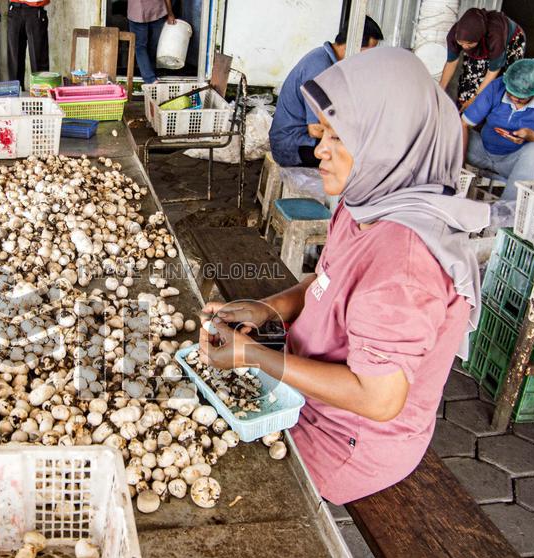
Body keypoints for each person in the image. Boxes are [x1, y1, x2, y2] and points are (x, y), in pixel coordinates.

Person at [201, 48, 488, 505]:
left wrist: (255, 357)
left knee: (223, 480)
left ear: (387, 142)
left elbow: (378, 400)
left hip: (348, 437)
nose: (319, 150)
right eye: (322, 134)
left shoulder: (405, 267)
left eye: (337, 138)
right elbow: (325, 281)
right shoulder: (366, 204)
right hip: (306, 391)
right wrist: (268, 308)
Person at [268, 16, 383, 167]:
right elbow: (315, 130)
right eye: (367, 53)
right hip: (293, 145)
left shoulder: (326, 59)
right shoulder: (320, 68)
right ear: (352, 46)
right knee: (361, 158)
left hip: (300, 141)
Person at [462, 59, 534, 201]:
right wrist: (459, 162)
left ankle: (505, 211)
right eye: (510, 93)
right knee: (450, 130)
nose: (514, 99)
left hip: (514, 164)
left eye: (521, 98)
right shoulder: (497, 86)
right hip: (481, 152)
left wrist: (531, 135)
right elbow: (464, 124)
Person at [439, 8, 525, 110]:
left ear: (479, 38)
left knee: (505, 80)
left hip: (511, 40)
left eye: (469, 44)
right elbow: (451, 62)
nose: (465, 47)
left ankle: (494, 114)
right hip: (482, 41)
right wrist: (439, 92)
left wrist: (474, 98)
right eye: (461, 43)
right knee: (469, 81)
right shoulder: (454, 34)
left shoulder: (495, 36)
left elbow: (493, 71)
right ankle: (463, 112)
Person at [128, 0, 176, 85]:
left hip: (138, 12)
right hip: (156, 11)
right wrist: (170, 13)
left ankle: (150, 78)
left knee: (140, 47)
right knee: (153, 45)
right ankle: (151, 75)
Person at [8, 0, 51, 90]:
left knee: (39, 60)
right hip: (15, 10)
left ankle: (40, 96)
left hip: (35, 11)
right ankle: (15, 97)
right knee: (15, 60)